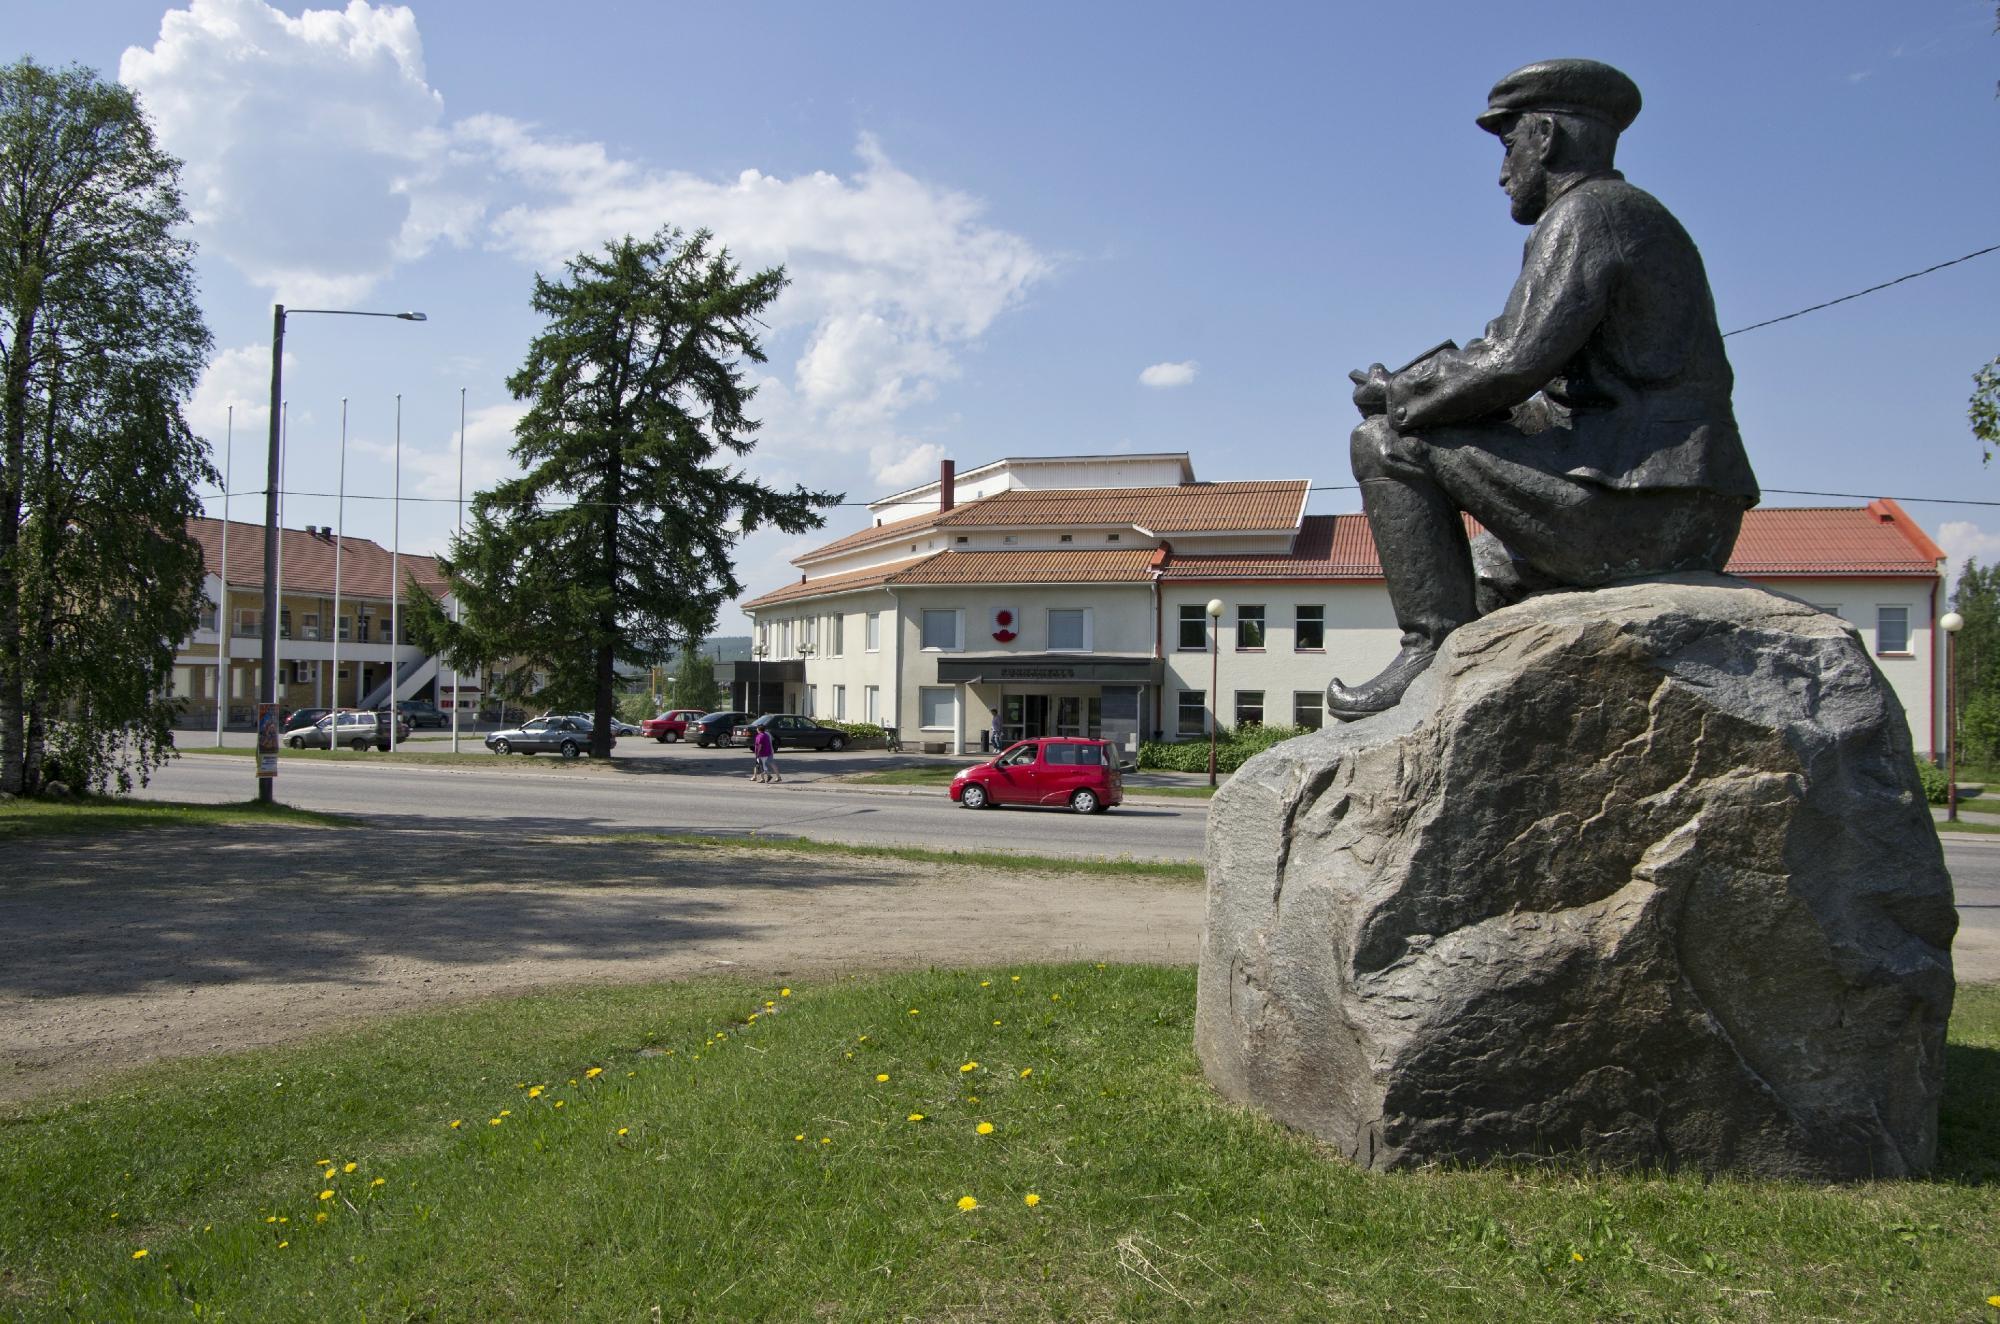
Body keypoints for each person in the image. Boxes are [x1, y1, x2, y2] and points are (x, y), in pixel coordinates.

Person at [1330, 59, 1760, 722]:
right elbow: (1538, 393)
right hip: (1677, 515)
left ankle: (1428, 650)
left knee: (1386, 443)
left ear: (1546, 137)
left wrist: (1399, 398)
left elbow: (1510, 362)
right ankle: (1477, 686)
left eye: (1508, 146)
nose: (1502, 171)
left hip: (1638, 515)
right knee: (1483, 571)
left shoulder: (1590, 214)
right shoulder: (1630, 217)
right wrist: (1421, 386)